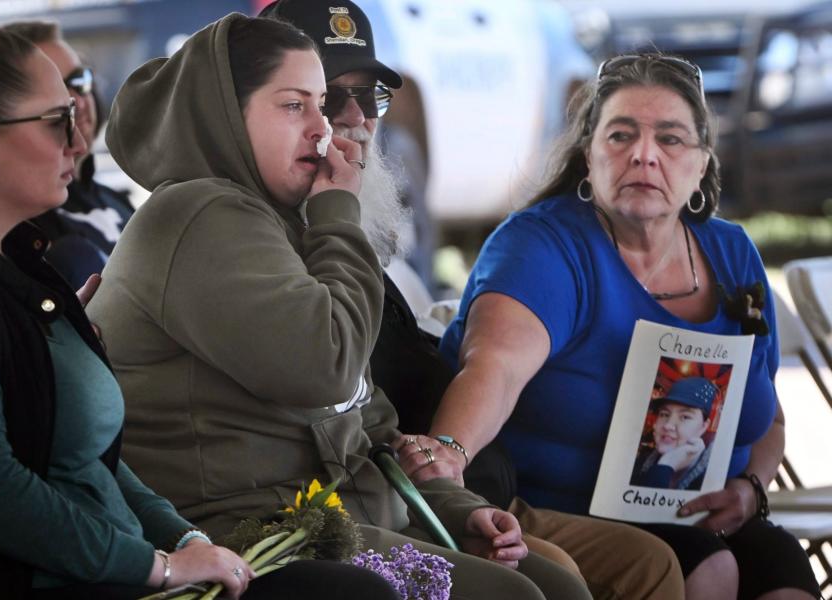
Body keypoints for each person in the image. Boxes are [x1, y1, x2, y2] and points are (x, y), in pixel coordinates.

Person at [0, 18, 398, 600]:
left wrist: (185, 539)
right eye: (55, 121)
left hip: (114, 563)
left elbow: (90, 461)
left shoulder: (11, 257)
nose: (77, 139)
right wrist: (157, 566)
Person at [87, 12, 593, 600]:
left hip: (331, 515)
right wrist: (337, 213)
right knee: (521, 597)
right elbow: (324, 367)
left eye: (323, 103)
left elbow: (363, 416)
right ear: (229, 112)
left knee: (554, 586)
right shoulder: (202, 215)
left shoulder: (276, 220)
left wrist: (455, 509)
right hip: (248, 533)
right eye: (295, 106)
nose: (327, 129)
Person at [259, 2, 686, 598]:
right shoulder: (266, 245)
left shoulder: (350, 239)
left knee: (651, 563)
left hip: (455, 493)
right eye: (331, 97)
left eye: (370, 97)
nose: (357, 119)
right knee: (554, 578)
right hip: (380, 510)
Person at [411, 52, 819, 599]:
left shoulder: (732, 253)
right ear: (589, 157)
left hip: (699, 513)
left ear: (701, 163)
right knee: (709, 567)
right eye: (621, 136)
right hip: (557, 510)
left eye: (670, 139)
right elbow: (497, 366)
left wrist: (750, 490)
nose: (644, 156)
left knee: (782, 567)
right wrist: (449, 453)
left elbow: (768, 422)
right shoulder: (543, 246)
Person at [1, 20, 135, 289]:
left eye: (80, 80)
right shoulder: (19, 231)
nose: (76, 100)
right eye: (56, 88)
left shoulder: (117, 202)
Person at [631, 377, 716, 490]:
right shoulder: (638, 464)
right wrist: (665, 466)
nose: (668, 425)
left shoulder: (714, 479)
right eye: (664, 414)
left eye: (685, 417)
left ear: (704, 427)